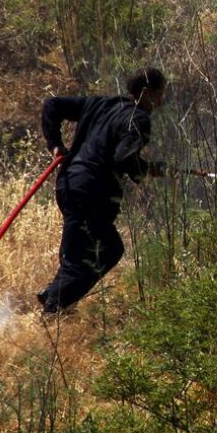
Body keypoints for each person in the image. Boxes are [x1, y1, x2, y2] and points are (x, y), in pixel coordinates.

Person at [36, 67, 171, 314]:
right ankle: (53, 306)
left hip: (68, 185)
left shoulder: (102, 104)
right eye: (159, 94)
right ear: (145, 92)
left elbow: (52, 105)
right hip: (92, 192)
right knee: (106, 250)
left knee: (89, 251)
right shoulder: (139, 119)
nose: (161, 102)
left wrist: (54, 144)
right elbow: (123, 158)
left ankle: (56, 298)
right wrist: (147, 169)